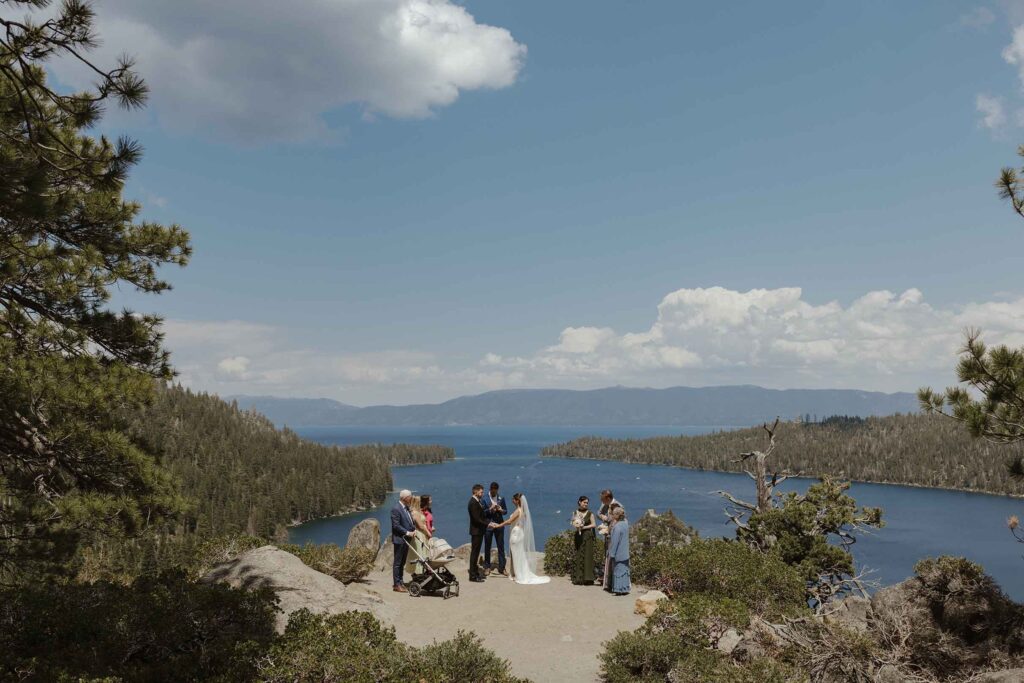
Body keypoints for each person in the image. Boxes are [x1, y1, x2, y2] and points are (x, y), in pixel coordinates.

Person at [493, 492, 550, 585]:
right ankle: (517, 573)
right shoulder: (524, 511)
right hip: (520, 533)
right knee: (519, 554)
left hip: (516, 533)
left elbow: (509, 521)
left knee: (516, 554)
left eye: (513, 499)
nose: (512, 500)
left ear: (516, 501)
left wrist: (498, 525)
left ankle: (518, 574)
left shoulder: (518, 511)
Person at [390, 490, 417, 593]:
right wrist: (407, 532)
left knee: (402, 563)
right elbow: (395, 525)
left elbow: (409, 521)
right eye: (410, 496)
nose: (412, 498)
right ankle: (396, 584)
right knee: (397, 563)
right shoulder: (396, 509)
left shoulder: (406, 508)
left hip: (406, 540)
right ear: (405, 498)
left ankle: (400, 582)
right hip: (400, 539)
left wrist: (413, 529)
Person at [482, 481, 507, 576]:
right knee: (487, 546)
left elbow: (505, 511)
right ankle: (487, 567)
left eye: (496, 492)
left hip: (499, 524)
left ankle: (502, 567)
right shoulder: (484, 499)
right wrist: (490, 509)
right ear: (490, 489)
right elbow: (483, 513)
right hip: (488, 525)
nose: (494, 493)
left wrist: (501, 510)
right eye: (493, 491)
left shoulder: (501, 498)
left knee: (501, 546)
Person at [571, 495, 597, 585]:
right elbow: (573, 522)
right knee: (579, 554)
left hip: (588, 536)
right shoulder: (575, 512)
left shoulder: (590, 513)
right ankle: (579, 577)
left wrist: (584, 527)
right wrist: (576, 526)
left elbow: (594, 525)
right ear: (579, 502)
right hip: (578, 536)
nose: (586, 504)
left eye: (587, 503)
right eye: (584, 502)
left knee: (588, 556)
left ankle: (588, 578)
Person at [405, 495, 432, 576]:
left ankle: (421, 572)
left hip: (420, 534)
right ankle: (419, 572)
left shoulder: (414, 512)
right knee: (420, 553)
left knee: (421, 553)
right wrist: (428, 533)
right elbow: (421, 526)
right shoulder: (415, 513)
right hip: (420, 534)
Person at [467, 484, 489, 582]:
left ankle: (475, 572)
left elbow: (481, 515)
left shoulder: (477, 501)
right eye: (481, 492)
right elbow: (477, 519)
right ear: (475, 492)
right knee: (474, 553)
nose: (482, 493)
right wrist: (488, 523)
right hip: (476, 531)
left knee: (476, 553)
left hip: (479, 531)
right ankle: (472, 575)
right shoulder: (473, 503)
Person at [606, 507, 631, 596]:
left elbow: (615, 542)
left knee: (617, 571)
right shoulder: (625, 524)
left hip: (619, 553)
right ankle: (625, 588)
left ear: (616, 515)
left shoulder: (617, 527)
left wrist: (611, 553)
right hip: (625, 551)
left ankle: (618, 589)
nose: (612, 515)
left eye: (613, 514)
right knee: (624, 570)